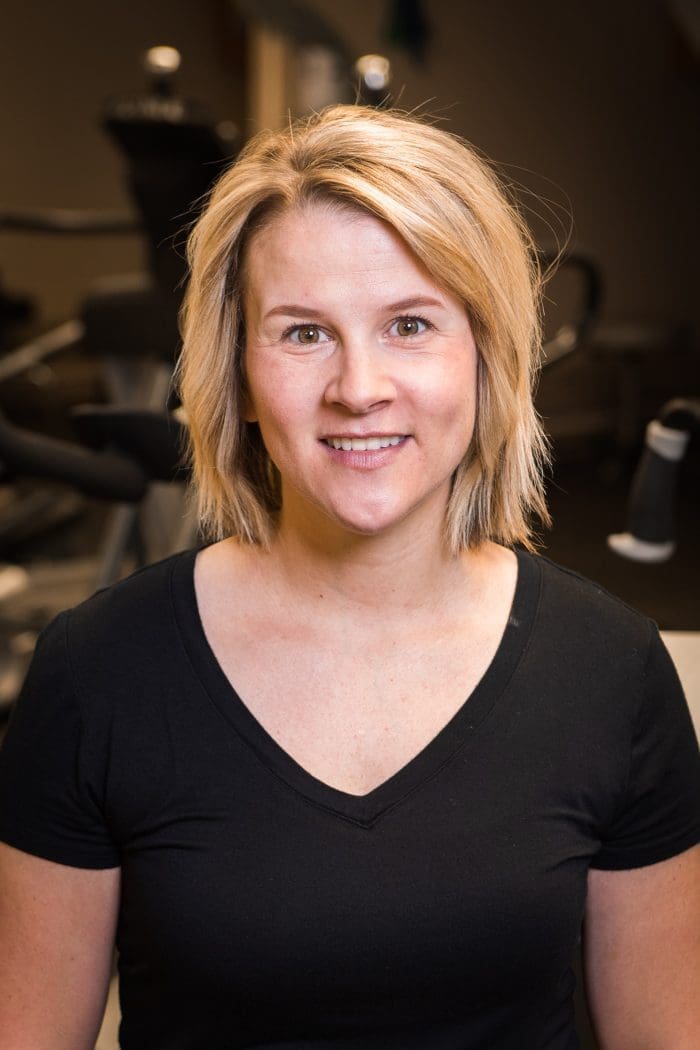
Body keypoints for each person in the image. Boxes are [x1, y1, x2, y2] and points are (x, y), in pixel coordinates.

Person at [0, 105, 698, 1050]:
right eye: (302, 334)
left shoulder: (610, 672)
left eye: (410, 324)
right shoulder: (99, 672)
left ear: (486, 357)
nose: (359, 386)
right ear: (237, 372)